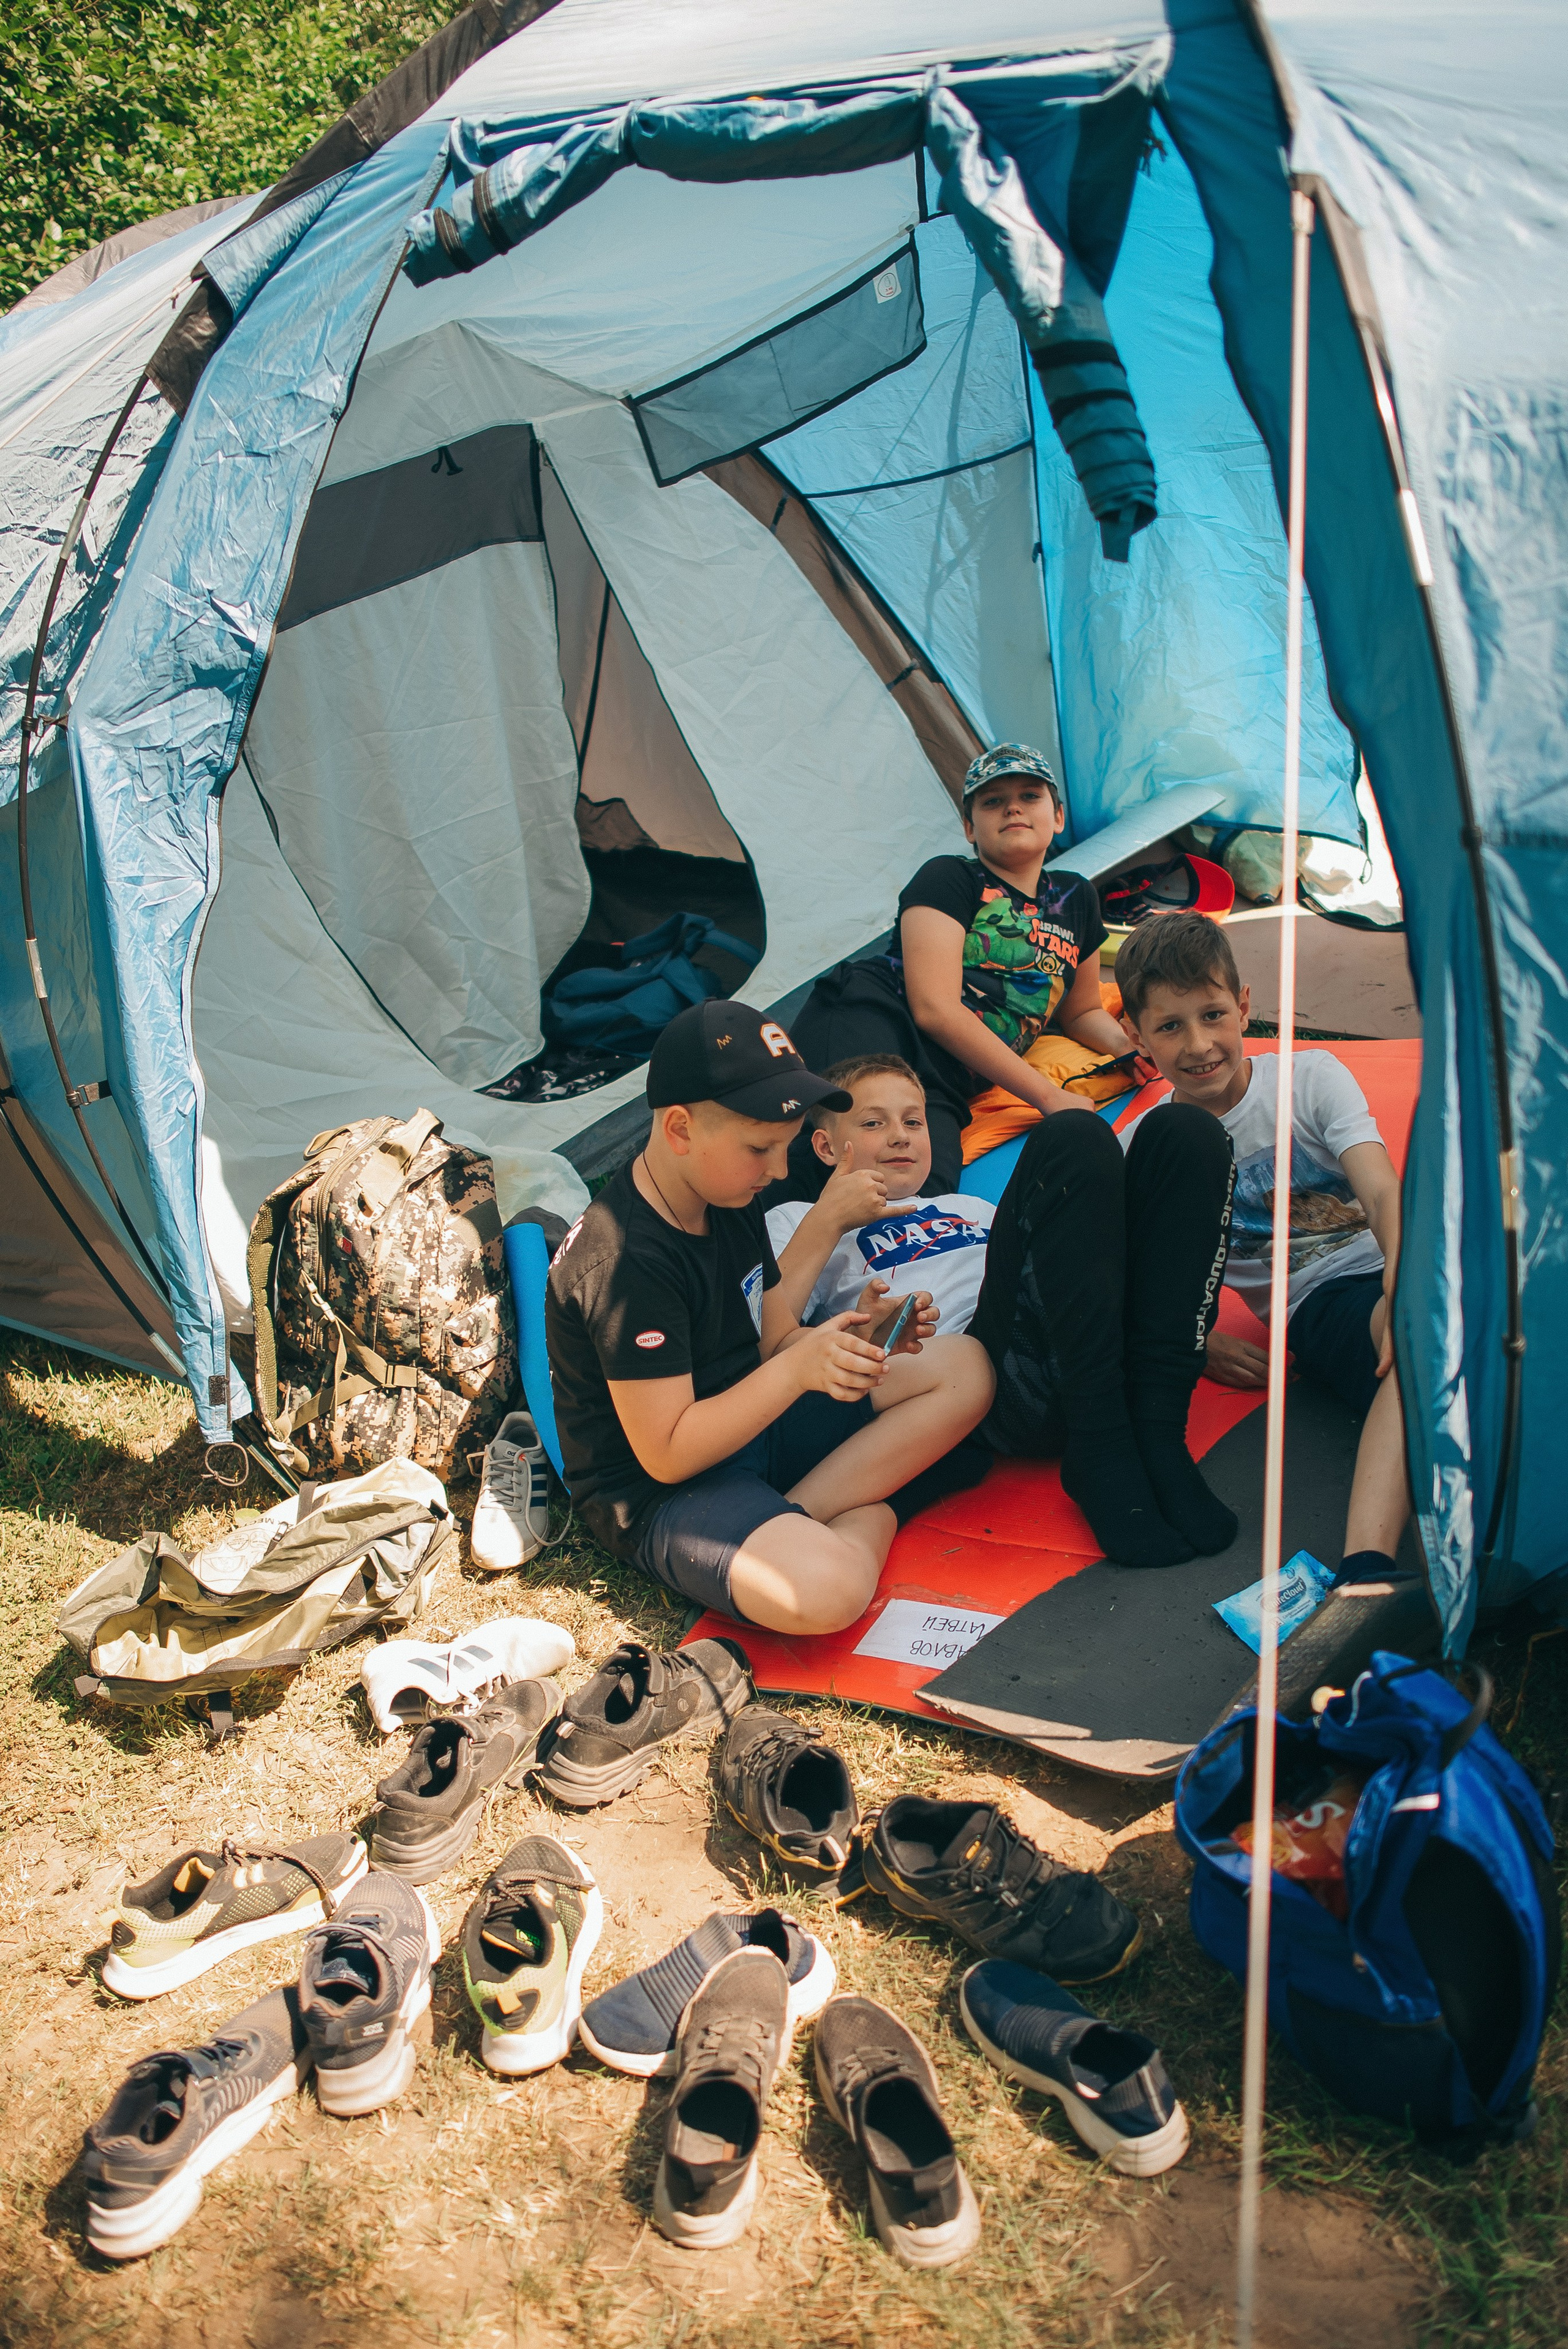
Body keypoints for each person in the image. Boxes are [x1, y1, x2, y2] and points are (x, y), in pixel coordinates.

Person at [545, 1002, 995, 1639]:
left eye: (784, 1149)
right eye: (761, 1149)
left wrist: (848, 1337)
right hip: (670, 1487)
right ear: (680, 1129)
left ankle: (801, 1513)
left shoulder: (725, 1192)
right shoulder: (623, 1265)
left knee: (961, 1365)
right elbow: (670, 1453)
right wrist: (795, 1370)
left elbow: (773, 1328)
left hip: (755, 1421)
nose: (780, 1172)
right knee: (827, 1592)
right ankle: (863, 1511)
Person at [766, 1050, 1240, 1570]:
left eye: (914, 1121)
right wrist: (829, 1225)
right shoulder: (798, 1221)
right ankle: (1101, 1449)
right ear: (826, 1145)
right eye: (874, 1123)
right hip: (996, 1382)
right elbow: (771, 1342)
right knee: (1072, 1136)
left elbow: (1081, 1267)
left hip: (1099, 1351)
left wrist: (1190, 1329)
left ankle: (1159, 1433)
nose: (900, 1135)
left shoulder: (968, 1208)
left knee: (1186, 1130)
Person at [1114, 912, 1409, 1583]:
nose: (1198, 1045)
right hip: (1319, 1299)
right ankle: (1367, 1571)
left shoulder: (1309, 1079)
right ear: (1135, 1035)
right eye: (1169, 1027)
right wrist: (1202, 1342)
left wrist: (1404, 1281)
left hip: (1394, 1263)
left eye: (1213, 1015)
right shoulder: (1144, 1145)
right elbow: (1128, 1276)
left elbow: (1385, 1193)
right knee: (1422, 1355)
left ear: (1244, 1006)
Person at [780, 744, 1134, 1200]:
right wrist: (1048, 1097)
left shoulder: (1077, 898)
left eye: (1030, 796)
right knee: (835, 1154)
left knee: (925, 1189)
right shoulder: (949, 877)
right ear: (970, 827)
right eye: (992, 801)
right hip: (877, 1021)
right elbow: (935, 1008)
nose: (1012, 807)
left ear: (1059, 817)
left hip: (944, 1076)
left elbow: (1082, 1010)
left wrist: (1131, 1049)